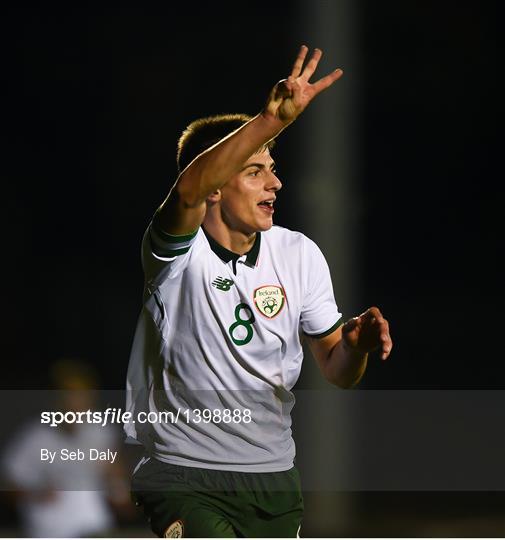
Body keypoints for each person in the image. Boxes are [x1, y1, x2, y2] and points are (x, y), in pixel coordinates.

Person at [125, 45, 392, 538]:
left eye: (271, 167)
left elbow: (337, 371)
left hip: (272, 479)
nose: (276, 182)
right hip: (183, 474)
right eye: (254, 171)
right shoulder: (174, 256)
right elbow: (185, 191)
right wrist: (271, 118)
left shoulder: (299, 253)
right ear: (215, 187)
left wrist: (355, 349)